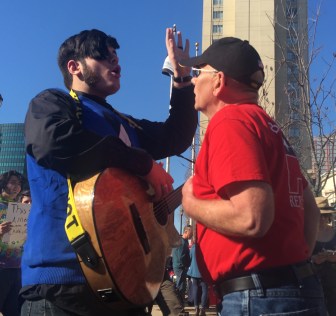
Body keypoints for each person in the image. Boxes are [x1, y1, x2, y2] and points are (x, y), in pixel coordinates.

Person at [20, 28, 197, 316]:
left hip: (127, 285)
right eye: (103, 55)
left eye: (116, 56)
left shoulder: (126, 123)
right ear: (74, 67)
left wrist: (182, 79)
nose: (116, 62)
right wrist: (143, 164)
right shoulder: (53, 103)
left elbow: (176, 136)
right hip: (64, 287)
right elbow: (52, 142)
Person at [180, 37, 327, 315]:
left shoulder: (230, 122)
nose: (193, 81)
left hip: (259, 297)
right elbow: (310, 209)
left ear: (218, 81)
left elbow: (252, 218)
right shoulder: (267, 127)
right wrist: (292, 265)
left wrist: (191, 204)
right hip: (287, 289)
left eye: (198, 73)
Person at [0, 170, 25, 316]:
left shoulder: (22, 209)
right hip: (1, 267)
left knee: (14, 310)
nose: (17, 186)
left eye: (19, 184)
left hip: (16, 266)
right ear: (4, 184)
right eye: (13, 182)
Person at [312, 196, 336, 316]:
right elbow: (300, 259)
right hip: (315, 282)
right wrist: (313, 260)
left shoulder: (334, 232)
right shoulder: (306, 234)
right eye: (319, 216)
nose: (321, 219)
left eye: (324, 216)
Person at [187, 238, 208, 316]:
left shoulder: (192, 248)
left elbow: (190, 258)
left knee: (195, 289)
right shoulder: (204, 247)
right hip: (203, 272)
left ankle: (196, 309)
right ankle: (203, 309)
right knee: (205, 290)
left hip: (194, 271)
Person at [172, 225, 192, 303]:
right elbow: (181, 257)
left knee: (181, 285)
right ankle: (179, 303)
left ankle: (180, 302)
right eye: (191, 233)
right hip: (180, 267)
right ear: (186, 232)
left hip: (179, 266)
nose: (192, 235)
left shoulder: (183, 241)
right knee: (181, 285)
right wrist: (187, 265)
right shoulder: (182, 242)